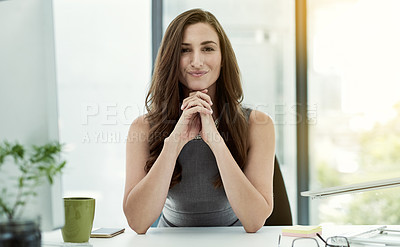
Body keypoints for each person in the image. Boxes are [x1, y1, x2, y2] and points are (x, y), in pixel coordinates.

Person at [123, 8, 275, 234]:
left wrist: (215, 140)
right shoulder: (143, 127)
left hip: (234, 241)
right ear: (171, 59)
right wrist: (175, 141)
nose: (197, 61)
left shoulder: (258, 124)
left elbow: (254, 221)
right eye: (185, 50)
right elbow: (137, 221)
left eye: (208, 48)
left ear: (223, 58)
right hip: (171, 240)